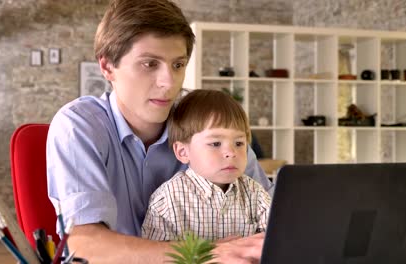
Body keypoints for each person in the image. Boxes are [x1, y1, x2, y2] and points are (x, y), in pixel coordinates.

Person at [46, 0, 274, 263]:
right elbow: (84, 244)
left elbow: (274, 219)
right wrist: (203, 253)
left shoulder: (202, 120)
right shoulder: (79, 125)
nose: (169, 83)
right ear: (108, 67)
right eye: (149, 64)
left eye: (178, 65)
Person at [141, 89, 271, 241]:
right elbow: (156, 257)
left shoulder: (256, 194)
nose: (231, 152)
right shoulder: (167, 201)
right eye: (215, 143)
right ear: (183, 152)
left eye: (239, 143)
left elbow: (276, 243)